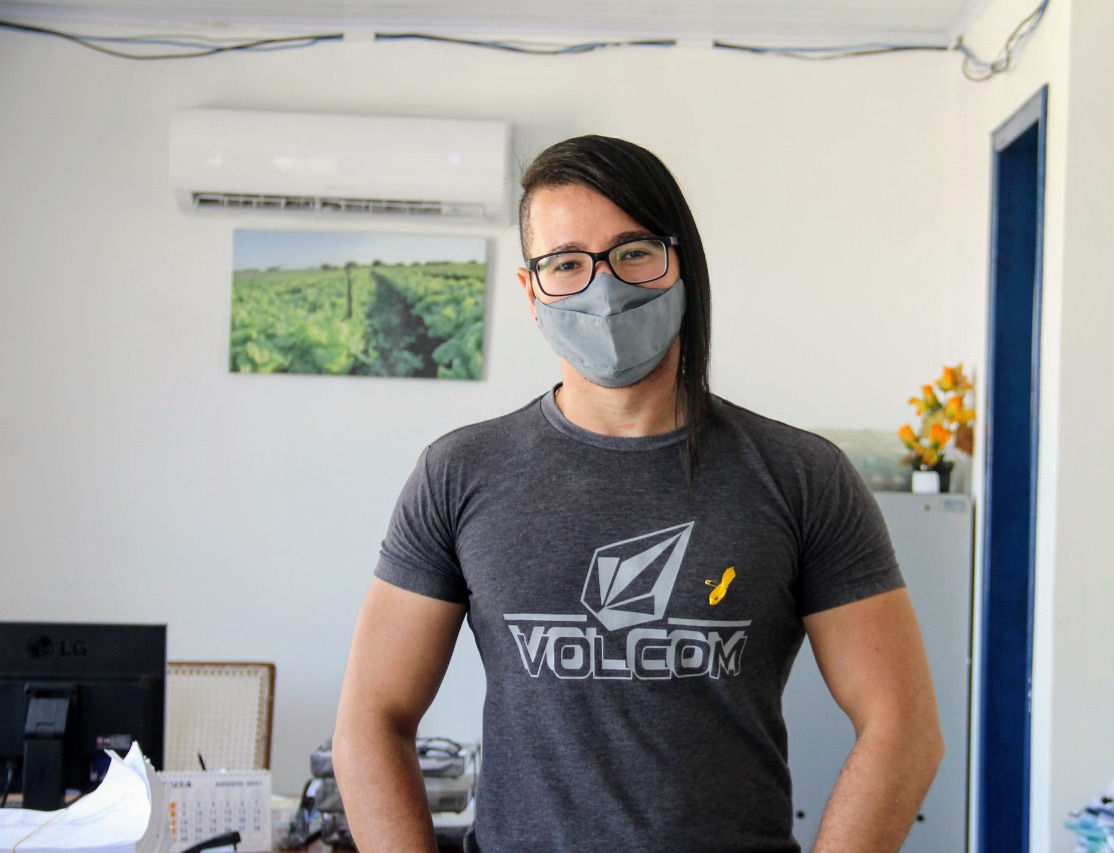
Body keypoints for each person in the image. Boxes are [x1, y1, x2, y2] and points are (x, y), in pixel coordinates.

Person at [333, 135, 943, 853]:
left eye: (634, 251)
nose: (604, 286)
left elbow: (903, 726)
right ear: (531, 291)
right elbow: (371, 720)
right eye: (566, 263)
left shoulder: (802, 476)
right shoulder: (459, 474)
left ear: (682, 262)